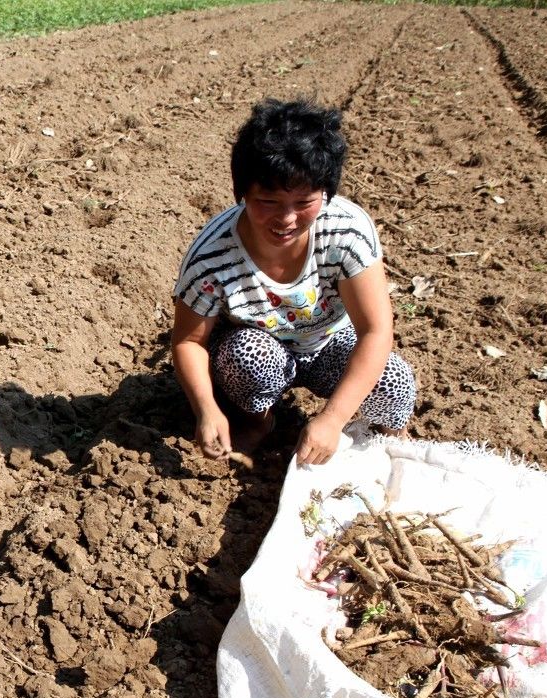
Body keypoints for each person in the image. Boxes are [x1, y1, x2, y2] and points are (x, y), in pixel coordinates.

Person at [171, 98, 415, 466]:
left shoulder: (346, 232)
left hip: (330, 343)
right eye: (267, 201)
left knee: (393, 381)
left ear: (326, 193)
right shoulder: (212, 257)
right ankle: (257, 422)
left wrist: (333, 418)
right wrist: (205, 409)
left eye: (304, 202)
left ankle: (391, 442)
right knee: (247, 357)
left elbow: (376, 330)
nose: (286, 219)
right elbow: (189, 341)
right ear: (243, 194)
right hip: (260, 348)